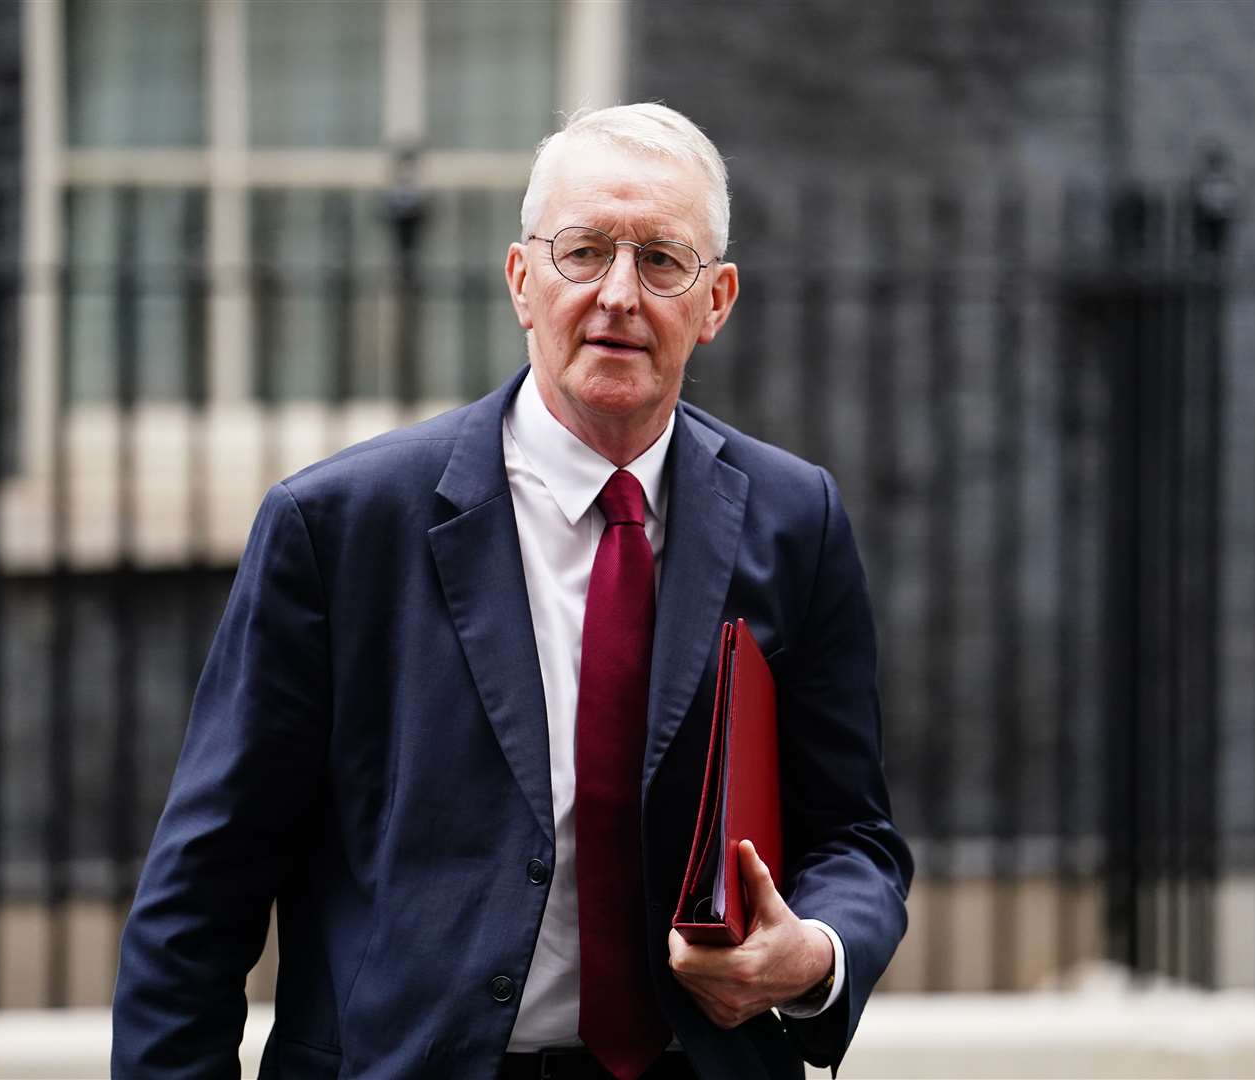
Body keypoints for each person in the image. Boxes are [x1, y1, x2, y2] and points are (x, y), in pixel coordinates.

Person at [112, 103, 912, 1080]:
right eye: (584, 252)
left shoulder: (798, 522)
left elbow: (855, 836)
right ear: (521, 280)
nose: (620, 293)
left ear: (717, 301)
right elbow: (203, 888)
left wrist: (814, 954)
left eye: (663, 260)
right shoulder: (339, 527)